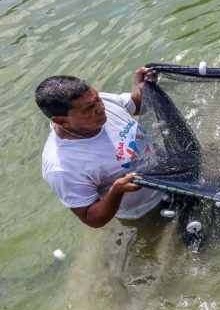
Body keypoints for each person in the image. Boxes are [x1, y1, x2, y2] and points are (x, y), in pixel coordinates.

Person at [36, 67, 164, 228]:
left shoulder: (96, 100)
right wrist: (116, 191)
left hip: (173, 175)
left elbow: (136, 105)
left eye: (97, 99)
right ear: (62, 121)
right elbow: (91, 218)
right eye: (89, 109)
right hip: (148, 209)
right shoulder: (62, 166)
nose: (101, 107)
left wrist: (140, 88)